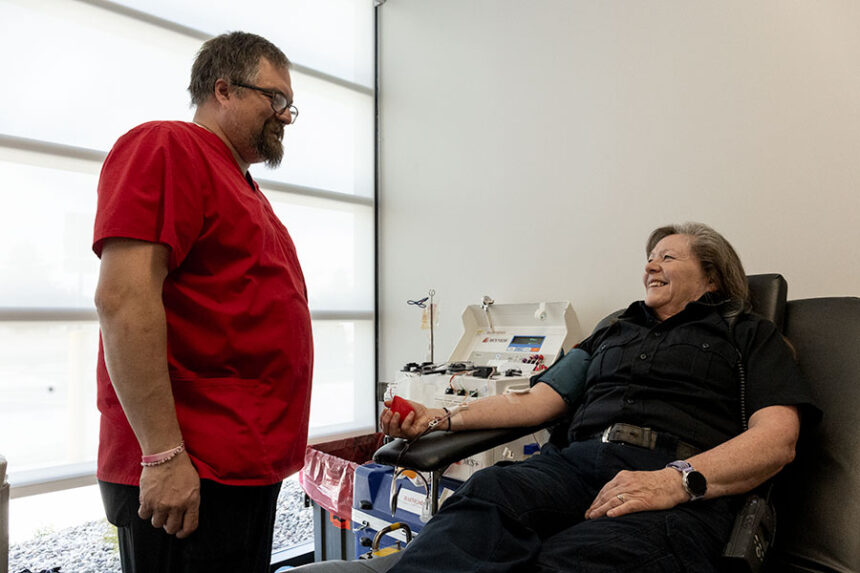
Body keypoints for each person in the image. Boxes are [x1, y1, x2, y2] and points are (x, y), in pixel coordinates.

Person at [297, 222, 817, 572]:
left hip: (671, 479)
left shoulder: (748, 334)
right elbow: (532, 401)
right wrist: (439, 418)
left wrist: (676, 482)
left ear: (711, 277)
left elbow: (777, 440)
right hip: (574, 466)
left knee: (580, 558)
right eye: (648, 258)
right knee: (487, 498)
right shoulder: (613, 330)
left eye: (668, 257)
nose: (649, 267)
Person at [93, 31, 312, 572]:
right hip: (190, 466)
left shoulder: (241, 185)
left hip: (237, 463)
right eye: (275, 99)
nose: (286, 116)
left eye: (291, 106)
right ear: (223, 89)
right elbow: (123, 299)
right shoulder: (168, 147)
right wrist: (164, 456)